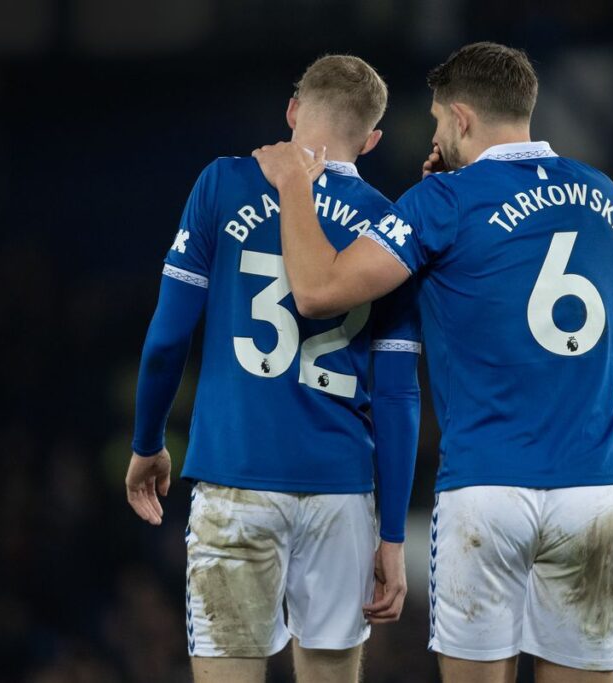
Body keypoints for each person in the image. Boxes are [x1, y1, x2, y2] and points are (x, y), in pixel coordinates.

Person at [253, 42, 613, 683]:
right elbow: (506, 260)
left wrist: (295, 184)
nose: (434, 135)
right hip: (594, 491)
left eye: (435, 122)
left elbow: (318, 290)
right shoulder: (605, 198)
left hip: (488, 487)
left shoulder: (444, 205)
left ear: (461, 118)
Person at [124, 55, 422, 683]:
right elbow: (398, 393)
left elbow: (167, 338)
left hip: (236, 480)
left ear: (291, 112)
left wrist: (148, 442)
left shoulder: (221, 184)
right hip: (339, 491)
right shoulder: (390, 225)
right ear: (371, 140)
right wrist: (391, 532)